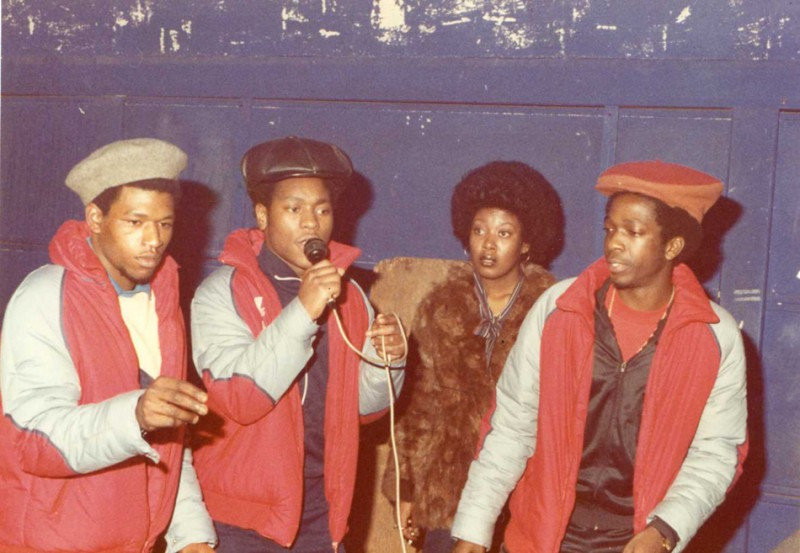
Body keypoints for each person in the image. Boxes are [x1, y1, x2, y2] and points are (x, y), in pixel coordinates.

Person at [450, 160, 748, 553]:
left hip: (636, 541)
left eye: (633, 232)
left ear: (672, 246)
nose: (614, 244)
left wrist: (665, 529)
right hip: (540, 538)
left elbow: (717, 451)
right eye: (610, 229)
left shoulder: (713, 335)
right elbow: (511, 426)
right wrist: (474, 526)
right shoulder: (560, 309)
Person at [190, 136, 407, 552]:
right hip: (240, 521)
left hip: (323, 511)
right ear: (262, 215)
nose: (311, 223)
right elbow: (241, 399)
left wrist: (387, 362)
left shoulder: (350, 295)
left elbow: (365, 410)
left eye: (322, 210)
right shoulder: (223, 292)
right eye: (294, 209)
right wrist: (303, 311)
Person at [0, 138, 217, 552]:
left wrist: (189, 533)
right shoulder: (45, 295)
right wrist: (135, 414)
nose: (153, 240)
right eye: (135, 222)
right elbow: (34, 441)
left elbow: (169, 432)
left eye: (165, 224)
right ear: (95, 218)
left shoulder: (163, 299)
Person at [381, 161, 561, 553]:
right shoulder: (441, 306)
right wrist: (406, 488)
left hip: (524, 496)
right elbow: (416, 406)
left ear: (526, 243)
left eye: (504, 233)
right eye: (479, 230)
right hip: (448, 495)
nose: (488, 245)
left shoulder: (554, 312)